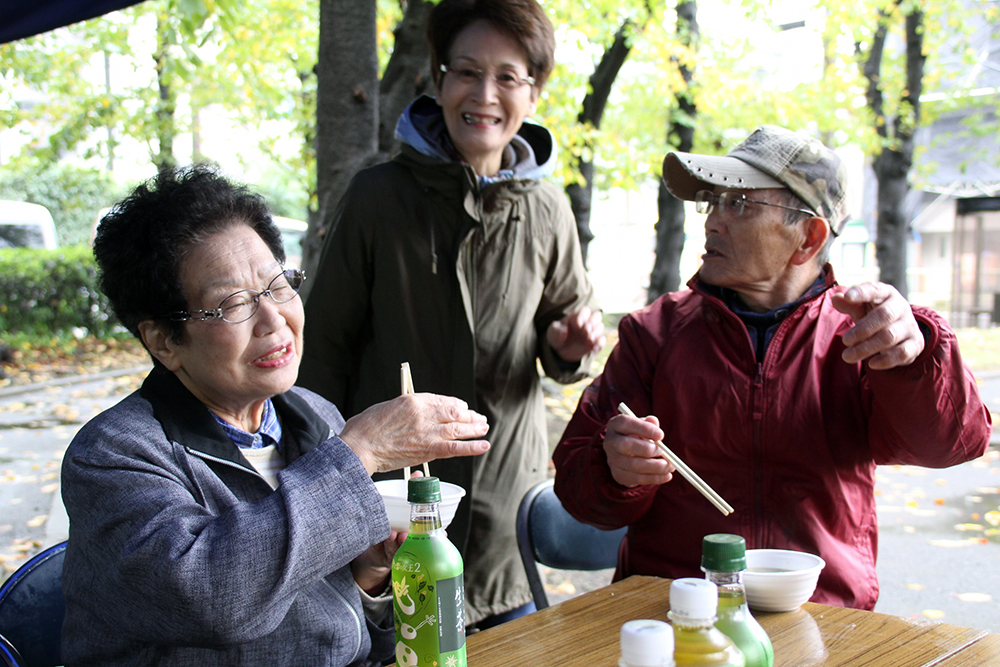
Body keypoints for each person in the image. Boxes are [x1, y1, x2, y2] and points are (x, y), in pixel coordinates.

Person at [60, 165, 491, 667]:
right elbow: (211, 598)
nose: (274, 320)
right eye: (231, 304)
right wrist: (358, 453)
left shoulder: (313, 415)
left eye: (278, 285)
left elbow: (341, 628)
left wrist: (369, 574)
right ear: (163, 341)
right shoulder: (114, 455)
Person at [552, 125, 992, 611]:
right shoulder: (653, 334)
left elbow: (949, 446)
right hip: (675, 607)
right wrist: (617, 471)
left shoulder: (865, 335)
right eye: (712, 202)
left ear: (809, 237)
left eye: (738, 203)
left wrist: (917, 356)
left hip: (823, 614)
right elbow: (577, 490)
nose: (712, 222)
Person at [300, 0, 604, 628]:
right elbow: (322, 356)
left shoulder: (547, 209)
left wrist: (569, 347)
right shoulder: (377, 196)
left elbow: (561, 338)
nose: (484, 94)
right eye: (466, 71)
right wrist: (321, 489)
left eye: (508, 76)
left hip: (501, 514)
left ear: (534, 91)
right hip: (388, 514)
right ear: (437, 80)